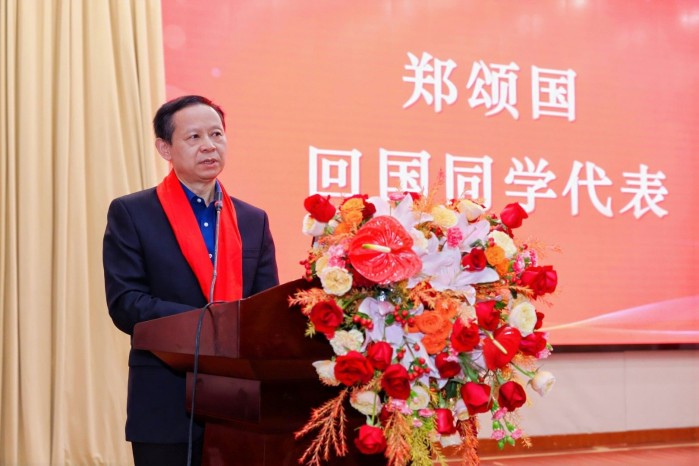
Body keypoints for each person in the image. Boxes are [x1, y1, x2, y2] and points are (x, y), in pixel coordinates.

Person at [103, 95, 279, 466]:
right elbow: (126, 303)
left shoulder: (253, 220)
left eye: (216, 134)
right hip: (165, 399)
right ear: (164, 148)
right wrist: (210, 323)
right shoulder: (133, 213)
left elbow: (266, 309)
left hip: (238, 402)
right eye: (194, 137)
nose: (209, 146)